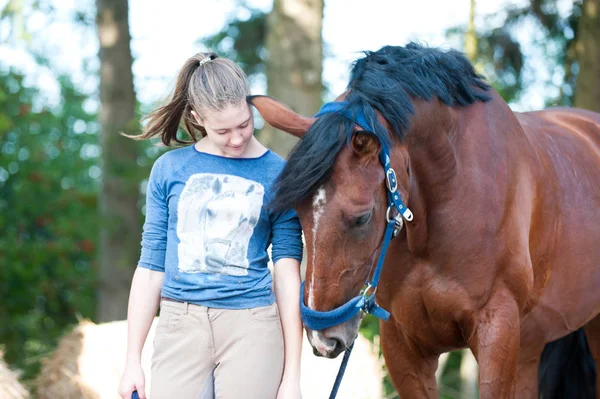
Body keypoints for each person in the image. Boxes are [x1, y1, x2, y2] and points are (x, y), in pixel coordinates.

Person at [118, 52, 304, 399]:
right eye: (222, 130)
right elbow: (150, 267)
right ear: (196, 117)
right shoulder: (169, 170)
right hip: (179, 325)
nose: (237, 138)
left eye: (244, 124)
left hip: (253, 325)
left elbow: (287, 272)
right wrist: (132, 360)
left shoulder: (279, 174)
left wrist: (292, 376)